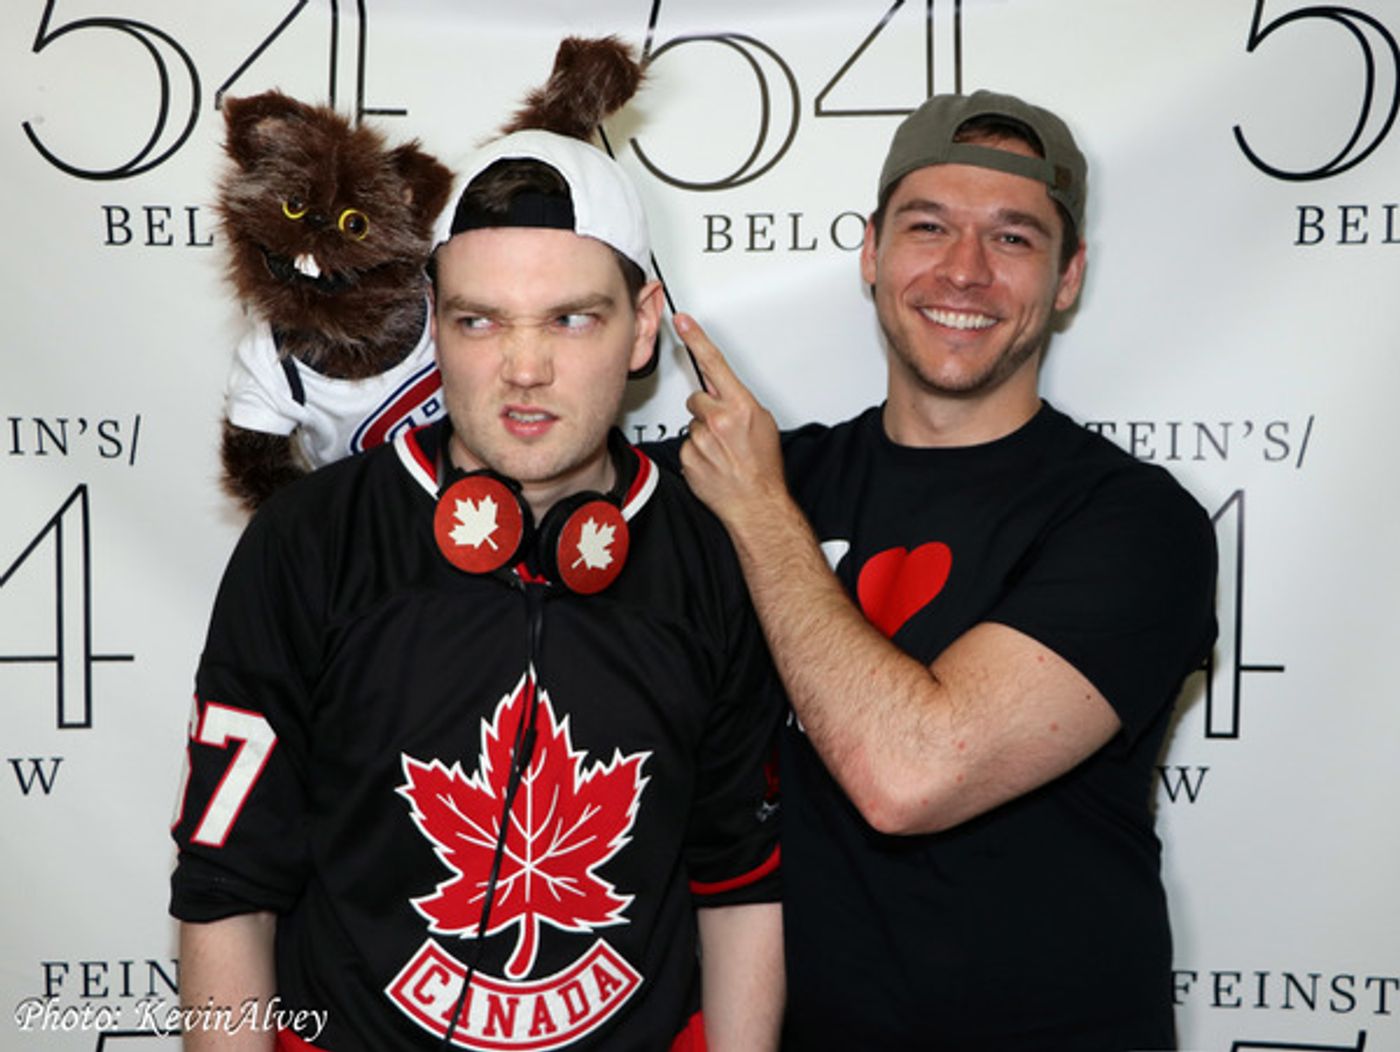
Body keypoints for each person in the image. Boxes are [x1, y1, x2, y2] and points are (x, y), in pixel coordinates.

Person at [170, 127, 784, 1051]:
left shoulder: (712, 549)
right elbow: (227, 890)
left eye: (571, 318)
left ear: (643, 324)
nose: (524, 368)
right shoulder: (309, 540)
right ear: (431, 321)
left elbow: (739, 887)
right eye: (480, 319)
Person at [673, 90, 1218, 1049]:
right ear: (872, 252)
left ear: (1068, 277)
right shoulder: (763, 475)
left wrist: (761, 516)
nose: (963, 272)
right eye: (929, 227)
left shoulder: (1137, 522)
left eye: (1013, 239)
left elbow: (909, 776)